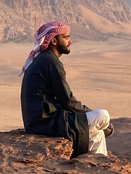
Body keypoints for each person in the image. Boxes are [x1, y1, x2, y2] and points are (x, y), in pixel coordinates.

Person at [20, 21, 112, 157]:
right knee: (103, 116)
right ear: (54, 41)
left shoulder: (43, 60)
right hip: (46, 123)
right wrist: (94, 116)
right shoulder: (50, 62)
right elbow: (67, 100)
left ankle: (96, 167)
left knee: (97, 134)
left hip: (39, 122)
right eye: (66, 37)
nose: (70, 41)